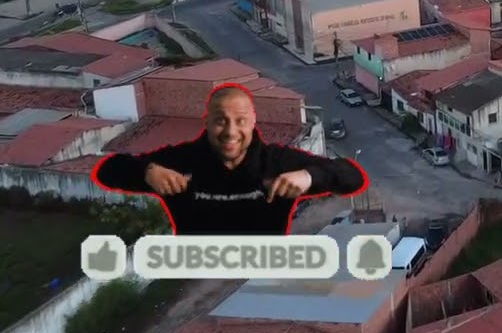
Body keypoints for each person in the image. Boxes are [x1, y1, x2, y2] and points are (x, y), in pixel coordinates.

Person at [92, 82, 368, 235]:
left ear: (253, 122)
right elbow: (108, 169)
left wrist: (310, 176)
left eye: (240, 121)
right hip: (198, 276)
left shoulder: (278, 163)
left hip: (265, 274)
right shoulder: (180, 161)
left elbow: (352, 177)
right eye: (221, 121)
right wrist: (147, 171)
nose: (231, 131)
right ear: (208, 122)